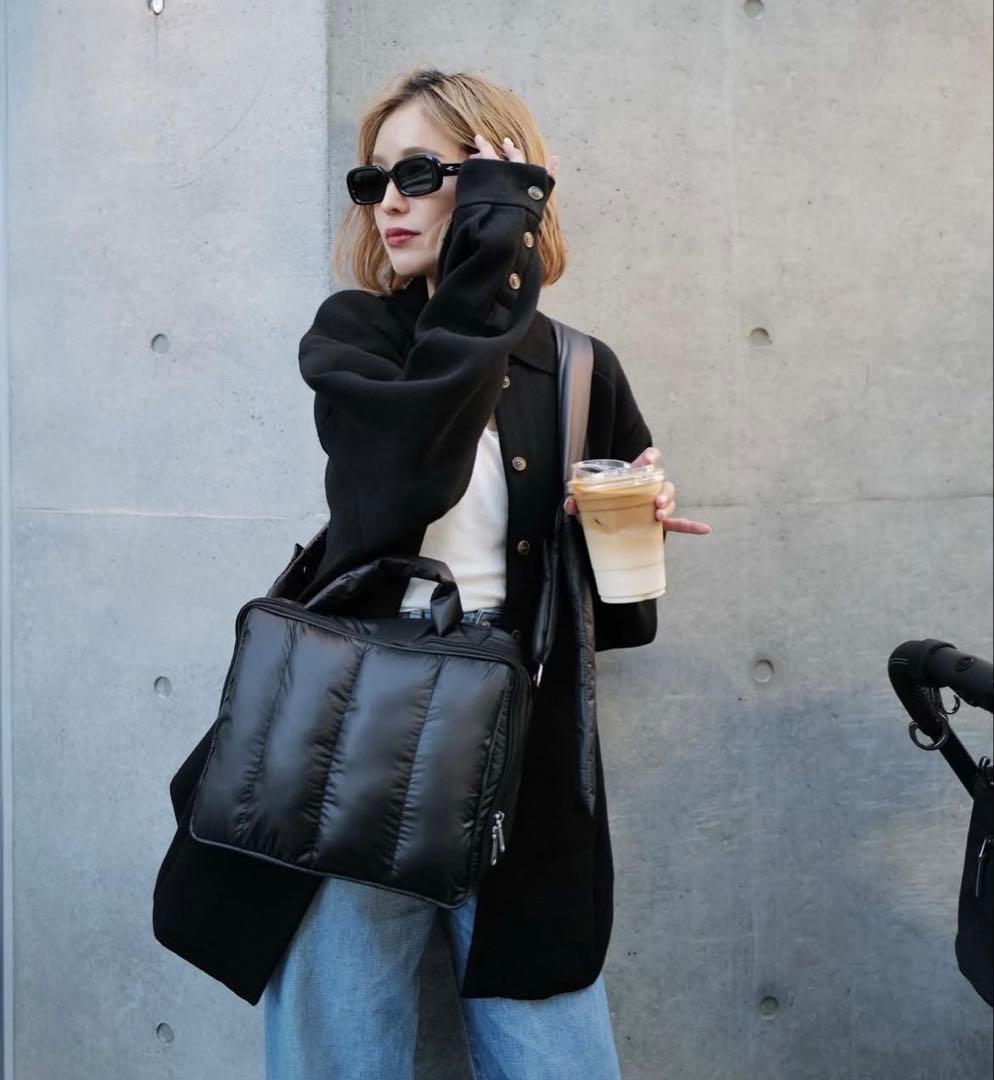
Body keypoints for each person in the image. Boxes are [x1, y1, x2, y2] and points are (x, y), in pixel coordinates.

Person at [264, 67, 711, 1080]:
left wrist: (619, 534)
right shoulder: (357, 336)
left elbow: (619, 623)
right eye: (372, 179)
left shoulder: (582, 369)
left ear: (504, 183)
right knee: (340, 1056)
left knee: (557, 1056)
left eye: (419, 172)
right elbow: (397, 484)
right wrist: (484, 266)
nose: (388, 201)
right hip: (358, 742)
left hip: (524, 762)